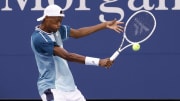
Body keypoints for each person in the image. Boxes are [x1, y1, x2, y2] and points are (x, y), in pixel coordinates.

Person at [31, 4, 124, 101]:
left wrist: (104, 25)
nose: (59, 24)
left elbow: (78, 33)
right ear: (46, 18)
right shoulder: (38, 38)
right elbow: (67, 56)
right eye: (56, 21)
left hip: (71, 88)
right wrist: (98, 62)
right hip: (52, 88)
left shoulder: (57, 29)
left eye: (60, 21)